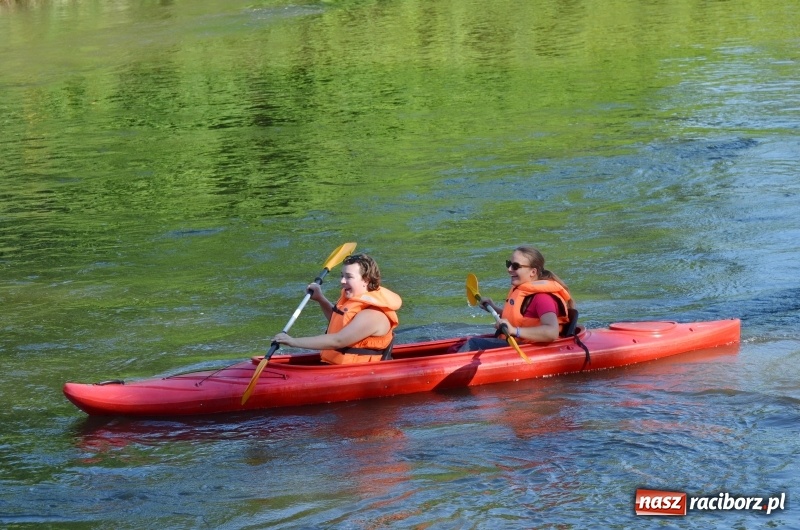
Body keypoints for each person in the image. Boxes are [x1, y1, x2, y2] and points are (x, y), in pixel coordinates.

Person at [273, 253, 402, 364]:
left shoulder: (373, 314)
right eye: (342, 275)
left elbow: (338, 340)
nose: (342, 281)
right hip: (337, 366)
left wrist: (292, 341)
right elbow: (340, 321)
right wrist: (321, 299)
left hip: (359, 372)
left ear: (366, 280)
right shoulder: (354, 301)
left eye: (349, 277)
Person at [460, 246, 575, 352]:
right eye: (509, 264)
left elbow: (552, 332)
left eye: (515, 266)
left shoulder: (543, 299)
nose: (509, 269)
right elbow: (521, 319)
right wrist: (494, 308)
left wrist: (515, 331)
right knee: (462, 343)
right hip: (518, 343)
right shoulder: (522, 291)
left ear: (533, 272)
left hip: (531, 349)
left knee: (473, 343)